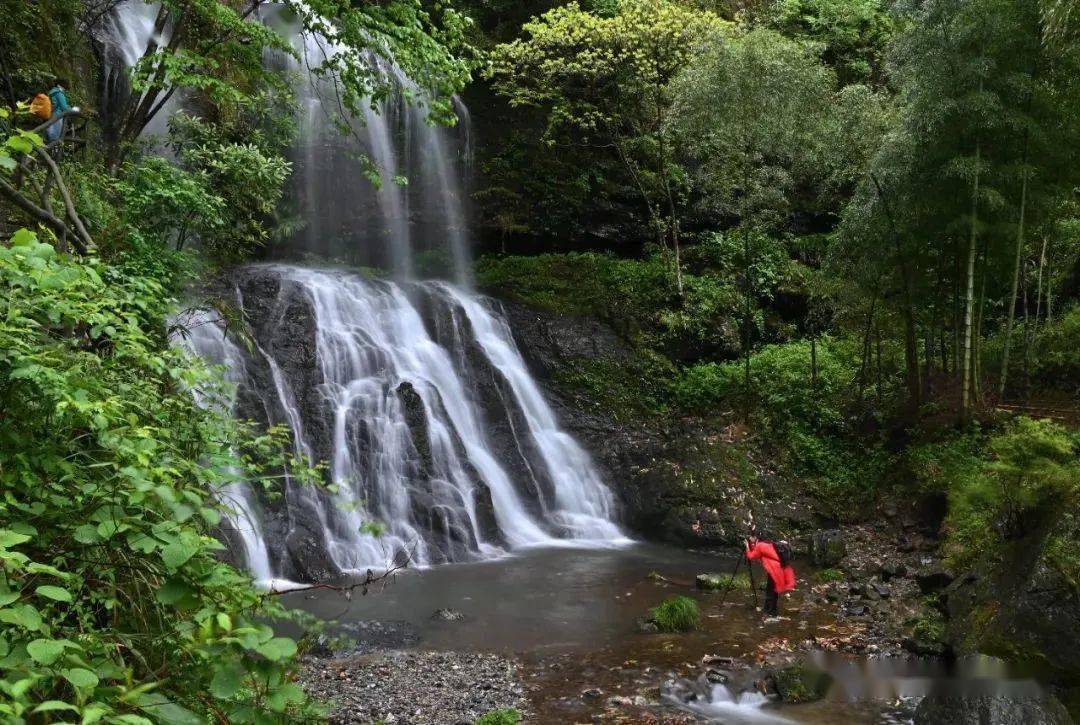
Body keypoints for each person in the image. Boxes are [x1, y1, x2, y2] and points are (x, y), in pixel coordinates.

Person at [745, 533, 796, 618]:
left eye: (751, 538)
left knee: (770, 591)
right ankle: (773, 610)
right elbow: (758, 552)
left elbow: (751, 556)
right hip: (779, 569)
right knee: (774, 591)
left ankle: (768, 612)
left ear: (756, 538)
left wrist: (747, 547)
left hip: (774, 570)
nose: (750, 539)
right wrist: (752, 545)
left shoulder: (760, 545)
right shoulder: (768, 544)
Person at [45, 78, 72, 145]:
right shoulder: (59, 93)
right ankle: (54, 152)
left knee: (50, 133)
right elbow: (64, 108)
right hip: (57, 116)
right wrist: (71, 109)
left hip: (50, 115)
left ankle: (49, 150)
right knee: (55, 136)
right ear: (62, 85)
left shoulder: (52, 92)